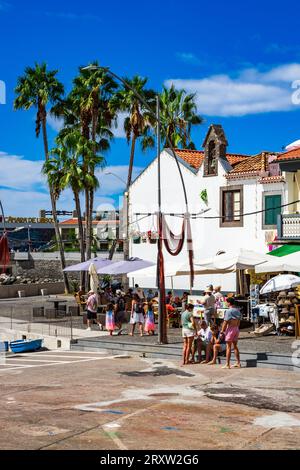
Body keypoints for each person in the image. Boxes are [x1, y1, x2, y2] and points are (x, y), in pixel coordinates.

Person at [219, 296, 241, 369]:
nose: (226, 303)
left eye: (226, 302)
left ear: (229, 303)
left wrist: (222, 331)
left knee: (228, 347)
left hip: (230, 329)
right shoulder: (238, 310)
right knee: (235, 346)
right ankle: (238, 363)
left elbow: (225, 322)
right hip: (236, 329)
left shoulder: (229, 311)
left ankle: (227, 364)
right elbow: (239, 322)